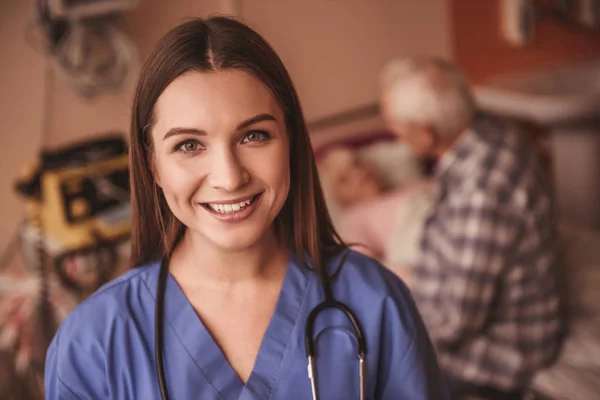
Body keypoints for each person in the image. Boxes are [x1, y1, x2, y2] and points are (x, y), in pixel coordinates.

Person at [43, 17, 450, 399]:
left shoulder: (375, 302)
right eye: (189, 145)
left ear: (291, 142)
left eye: (254, 136)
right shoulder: (93, 342)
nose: (229, 176)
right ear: (153, 166)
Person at [379, 56, 565, 399]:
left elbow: (455, 320)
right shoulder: (492, 131)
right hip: (467, 306)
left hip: (497, 358)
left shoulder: (481, 191)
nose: (394, 135)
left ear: (426, 132)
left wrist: (383, 330)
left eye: (398, 129)